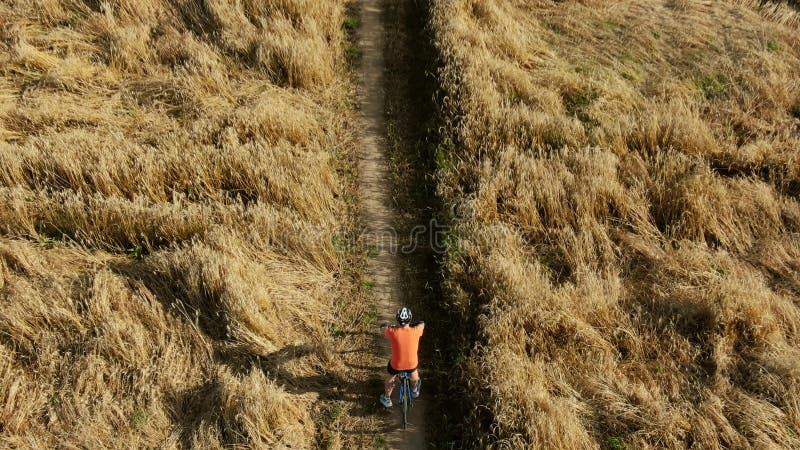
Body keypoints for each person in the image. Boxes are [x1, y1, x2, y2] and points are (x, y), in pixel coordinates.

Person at [379, 306, 424, 408]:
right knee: (414, 375)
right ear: (410, 318)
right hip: (411, 363)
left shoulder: (392, 332)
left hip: (396, 365)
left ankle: (386, 399)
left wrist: (386, 326)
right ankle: (414, 390)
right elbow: (422, 324)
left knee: (390, 379)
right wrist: (418, 323)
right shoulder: (416, 330)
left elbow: (383, 328)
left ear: (397, 319)